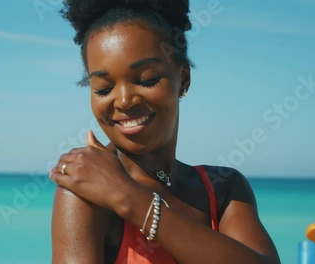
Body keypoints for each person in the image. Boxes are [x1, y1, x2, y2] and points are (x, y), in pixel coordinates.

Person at [49, 0, 281, 263]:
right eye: (103, 88)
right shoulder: (85, 193)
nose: (124, 100)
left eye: (147, 79)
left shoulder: (224, 189)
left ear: (183, 78)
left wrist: (130, 199)